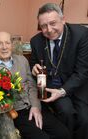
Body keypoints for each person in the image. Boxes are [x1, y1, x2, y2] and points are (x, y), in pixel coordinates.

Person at [0, 31, 70, 139]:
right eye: (0, 44)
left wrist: (35, 107)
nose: (4, 47)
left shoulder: (22, 60)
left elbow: (32, 84)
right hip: (15, 111)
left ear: (12, 45)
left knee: (63, 133)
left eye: (7, 43)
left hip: (33, 104)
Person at [30, 3, 88, 139]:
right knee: (66, 112)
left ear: (63, 20)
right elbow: (33, 63)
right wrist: (33, 68)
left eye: (53, 23)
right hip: (51, 86)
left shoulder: (82, 35)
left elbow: (82, 72)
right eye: (43, 26)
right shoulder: (35, 41)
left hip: (78, 85)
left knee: (84, 119)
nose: (49, 30)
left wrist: (62, 91)